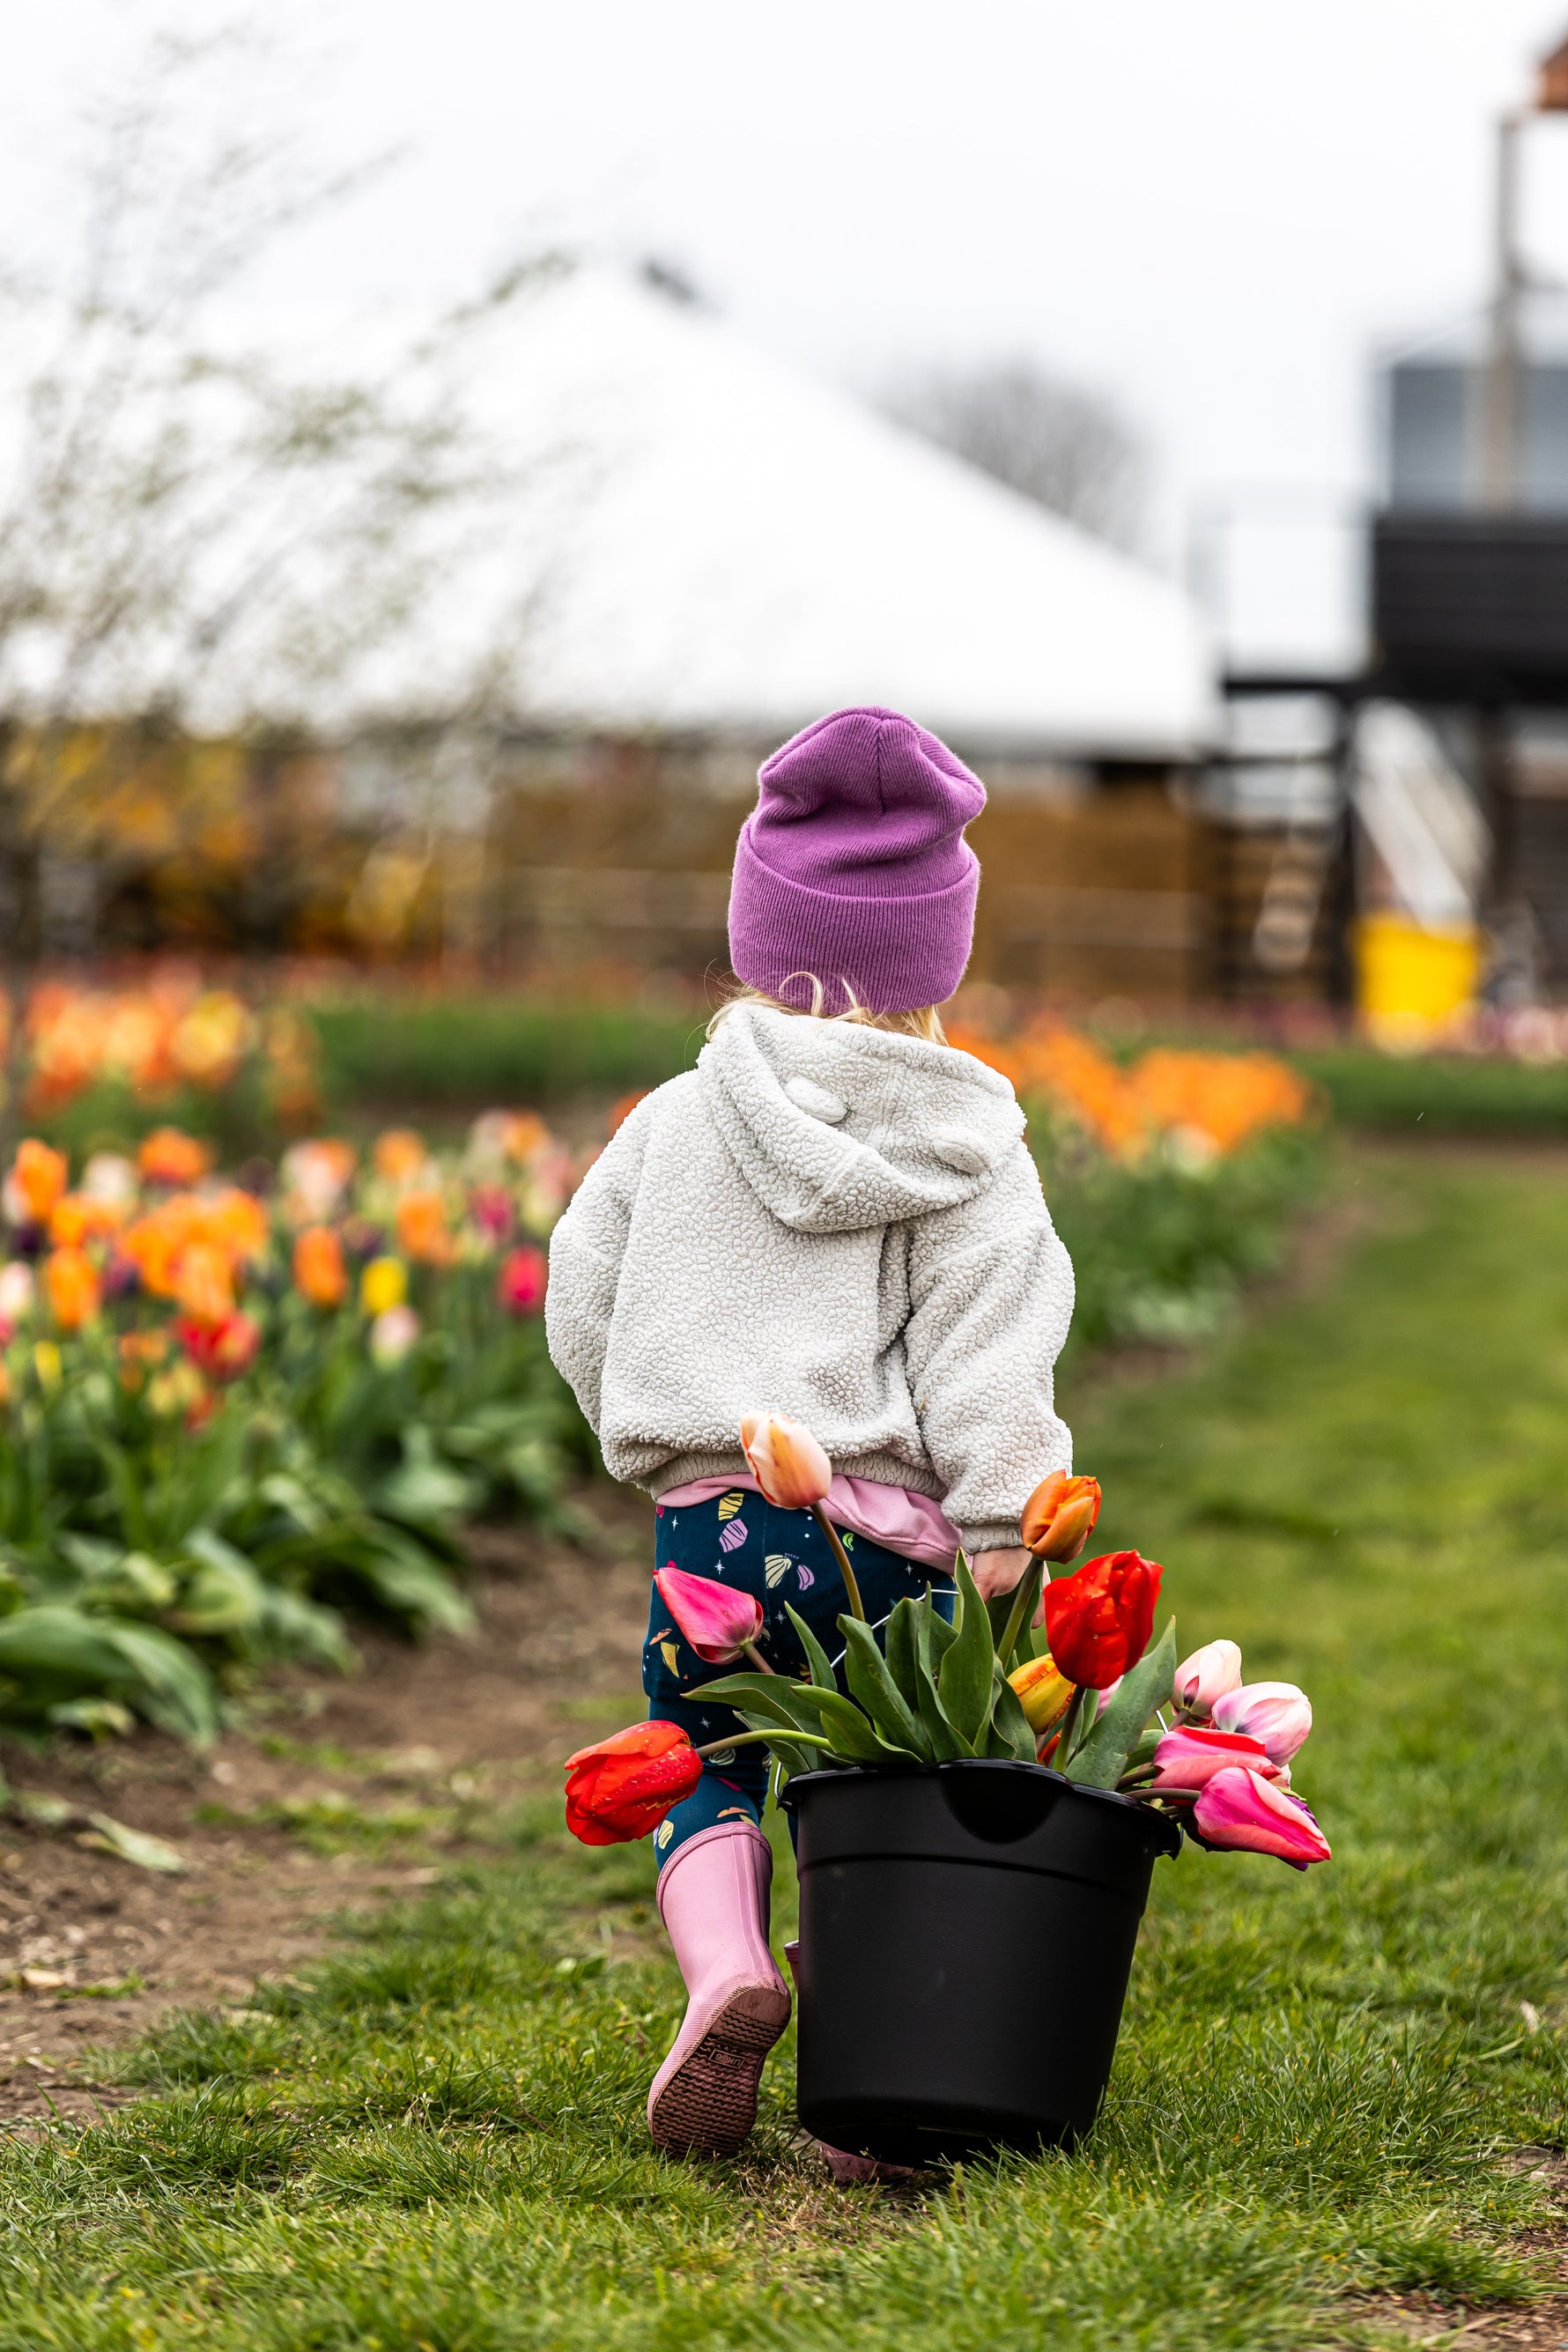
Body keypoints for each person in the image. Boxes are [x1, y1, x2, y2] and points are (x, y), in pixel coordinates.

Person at [545, 705, 1075, 2164]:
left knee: (704, 1750)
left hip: (712, 1533)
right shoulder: (970, 1150)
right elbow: (993, 1338)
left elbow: (578, 1286)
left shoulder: (675, 1118)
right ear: (939, 954)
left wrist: (647, 1436)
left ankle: (727, 1968)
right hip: (884, 1551)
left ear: (755, 931)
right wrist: (999, 1525)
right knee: (878, 1798)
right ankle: (870, 2090)